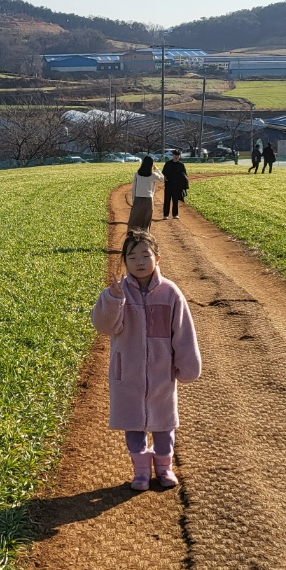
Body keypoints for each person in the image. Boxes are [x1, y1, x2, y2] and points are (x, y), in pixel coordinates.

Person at [91, 229, 202, 491]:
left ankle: (164, 468)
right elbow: (104, 326)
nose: (140, 262)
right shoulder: (117, 294)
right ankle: (140, 472)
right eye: (132, 257)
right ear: (124, 262)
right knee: (134, 425)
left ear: (158, 258)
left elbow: (183, 331)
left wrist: (187, 365)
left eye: (145, 255)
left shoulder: (171, 293)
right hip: (127, 374)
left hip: (162, 373)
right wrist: (113, 299)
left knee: (164, 425)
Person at [127, 155, 162, 231]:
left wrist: (133, 200)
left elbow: (134, 188)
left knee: (135, 219)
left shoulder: (137, 174)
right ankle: (145, 234)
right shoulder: (153, 175)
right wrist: (156, 169)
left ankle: (132, 233)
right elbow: (162, 178)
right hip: (148, 199)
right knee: (146, 220)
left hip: (138, 198)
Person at [161, 149, 189, 219]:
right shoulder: (168, 164)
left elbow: (185, 175)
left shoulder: (181, 165)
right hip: (168, 184)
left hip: (177, 185)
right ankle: (165, 215)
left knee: (175, 200)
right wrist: (164, 177)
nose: (176, 156)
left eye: (178, 155)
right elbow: (163, 173)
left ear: (179, 156)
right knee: (167, 199)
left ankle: (175, 214)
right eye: (175, 155)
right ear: (172, 155)